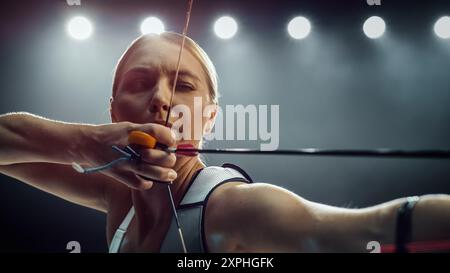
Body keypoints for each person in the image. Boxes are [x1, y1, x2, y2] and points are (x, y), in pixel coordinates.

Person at [0, 32, 449, 253]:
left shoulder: (236, 208)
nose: (159, 98)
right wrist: (86, 144)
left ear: (210, 119)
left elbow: (376, 228)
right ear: (114, 111)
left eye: (183, 86)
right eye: (140, 82)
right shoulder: (117, 195)